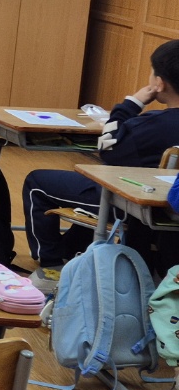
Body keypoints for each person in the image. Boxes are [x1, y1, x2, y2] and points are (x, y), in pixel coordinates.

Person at [22, 39, 179, 292]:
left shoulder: (152, 124)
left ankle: (51, 262)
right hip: (169, 211)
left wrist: (131, 104)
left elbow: (108, 149)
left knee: (37, 182)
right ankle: (73, 251)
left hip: (132, 207)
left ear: (159, 83)